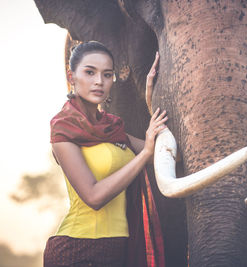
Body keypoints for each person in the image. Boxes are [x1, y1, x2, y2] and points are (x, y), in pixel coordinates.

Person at [43, 41, 166, 267]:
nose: (99, 81)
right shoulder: (63, 128)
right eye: (90, 72)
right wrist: (145, 152)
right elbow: (94, 197)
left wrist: (152, 98)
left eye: (107, 74)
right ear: (72, 77)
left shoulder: (113, 129)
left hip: (118, 252)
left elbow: (165, 152)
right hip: (77, 251)